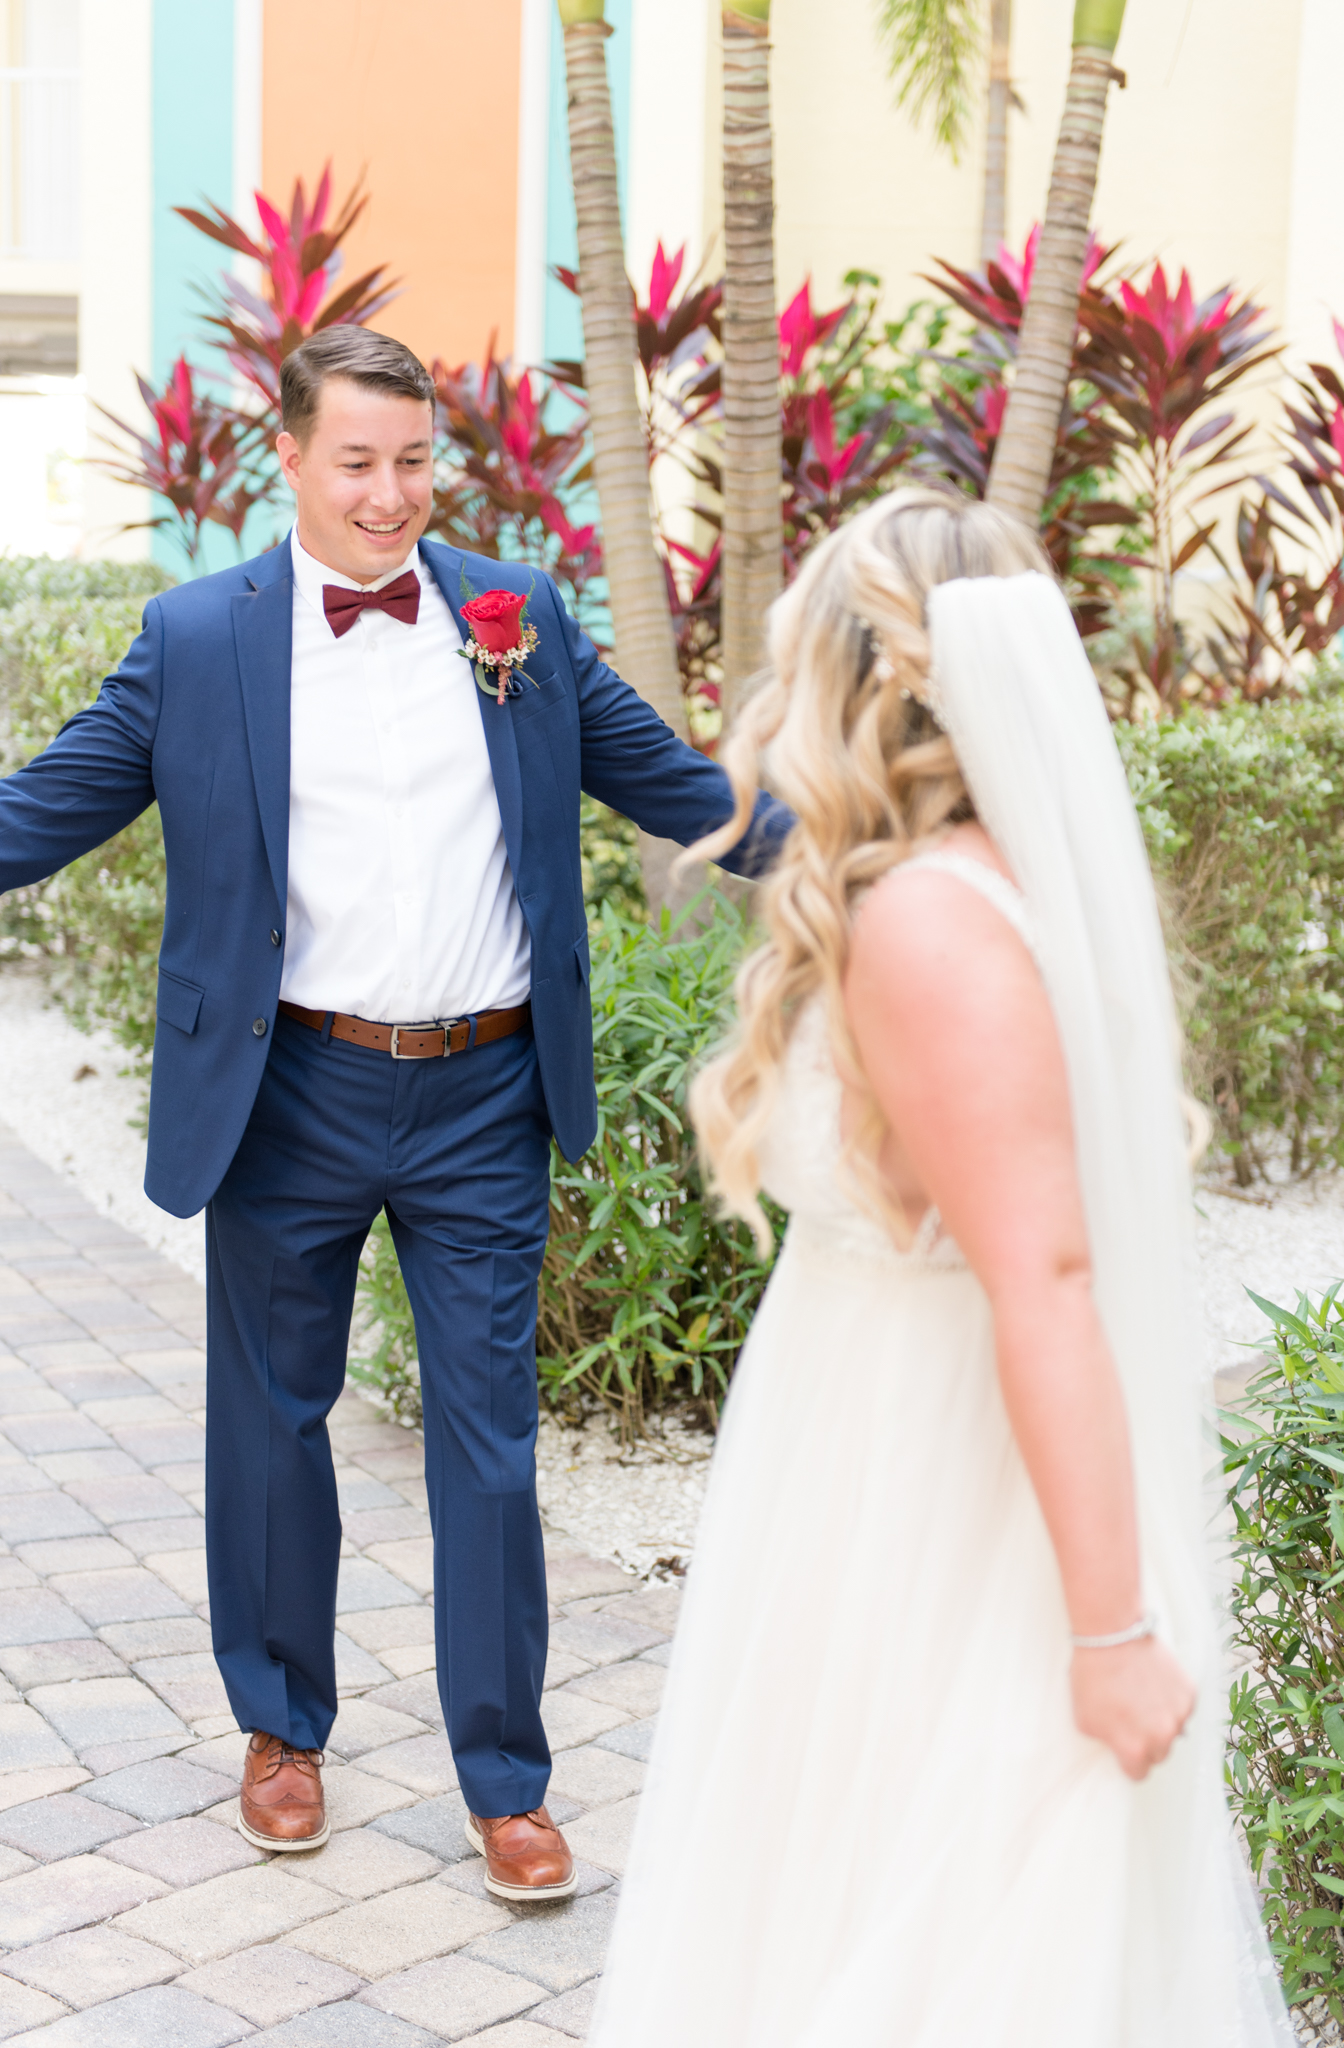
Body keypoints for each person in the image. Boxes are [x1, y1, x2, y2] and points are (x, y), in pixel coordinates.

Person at [0, 325, 787, 1895]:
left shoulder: (517, 616)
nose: (389, 495)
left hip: (485, 1088)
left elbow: (674, 788)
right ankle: (282, 1731)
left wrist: (875, 847)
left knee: (490, 1448)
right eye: (356, 461)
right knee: (276, 1431)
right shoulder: (198, 639)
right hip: (287, 1088)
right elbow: (46, 807)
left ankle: (507, 1779)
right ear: (284, 456)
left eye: (414, 460)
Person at [589, 488, 1293, 2043]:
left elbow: (1044, 1278)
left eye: (784, 659)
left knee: (921, 1932)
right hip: (879, 1463)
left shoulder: (927, 926)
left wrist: (1107, 1632)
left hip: (924, 1493)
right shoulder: (987, 887)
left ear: (856, 679)